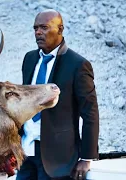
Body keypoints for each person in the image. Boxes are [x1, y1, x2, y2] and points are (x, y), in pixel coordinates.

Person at [17, 9, 99, 180]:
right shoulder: (29, 59)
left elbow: (90, 113)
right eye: (35, 28)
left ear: (60, 29)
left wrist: (86, 158)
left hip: (58, 159)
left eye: (44, 27)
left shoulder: (78, 65)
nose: (38, 32)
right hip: (26, 152)